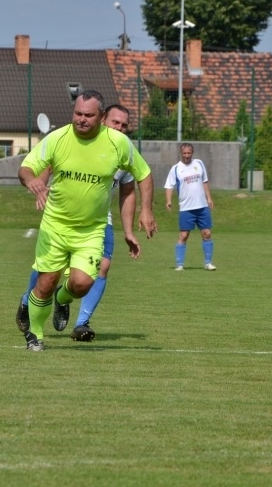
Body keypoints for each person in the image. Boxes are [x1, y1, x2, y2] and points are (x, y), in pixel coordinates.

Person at [18, 91, 156, 351]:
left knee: (82, 283)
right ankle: (35, 334)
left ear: (100, 117)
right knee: (45, 282)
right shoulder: (58, 138)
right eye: (78, 113)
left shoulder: (119, 144)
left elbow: (144, 175)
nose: (81, 119)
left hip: (92, 229)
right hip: (55, 226)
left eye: (88, 115)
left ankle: (62, 300)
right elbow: (26, 168)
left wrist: (146, 211)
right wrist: (33, 180)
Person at [164, 143, 216, 271]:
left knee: (207, 233)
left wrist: (209, 198)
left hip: (202, 206)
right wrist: (168, 200)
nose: (187, 156)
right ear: (181, 153)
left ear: (192, 153)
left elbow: (204, 182)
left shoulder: (199, 164)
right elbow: (169, 185)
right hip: (186, 208)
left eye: (189, 153)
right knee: (183, 235)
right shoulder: (176, 168)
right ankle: (180, 264)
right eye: (184, 153)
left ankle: (208, 263)